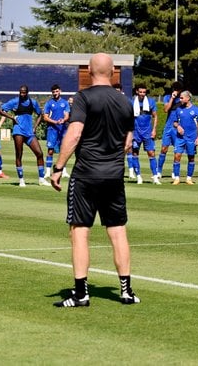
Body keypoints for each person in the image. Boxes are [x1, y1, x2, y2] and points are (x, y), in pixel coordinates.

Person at [49, 52, 140, 307]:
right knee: (118, 231)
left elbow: (75, 133)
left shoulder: (83, 98)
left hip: (86, 174)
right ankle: (126, 291)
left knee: (79, 232)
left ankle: (81, 293)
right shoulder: (125, 102)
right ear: (112, 72)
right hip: (114, 175)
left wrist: (58, 167)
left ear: (89, 71)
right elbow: (128, 142)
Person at [0, 85, 51, 187]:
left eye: (24, 92)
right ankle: (21, 180)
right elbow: (0, 110)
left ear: (27, 92)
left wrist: (35, 127)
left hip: (29, 133)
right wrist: (12, 117)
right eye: (20, 92)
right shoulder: (15, 101)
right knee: (19, 155)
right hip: (18, 132)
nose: (22, 94)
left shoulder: (33, 102)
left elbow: (41, 114)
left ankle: (41, 179)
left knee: (39, 153)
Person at [127, 83, 161, 184]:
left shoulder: (151, 102)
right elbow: (128, 118)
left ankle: (155, 176)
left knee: (151, 153)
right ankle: (138, 177)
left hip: (147, 132)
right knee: (135, 153)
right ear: (137, 91)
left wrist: (154, 130)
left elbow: (155, 116)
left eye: (144, 92)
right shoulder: (131, 102)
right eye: (140, 92)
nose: (142, 94)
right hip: (136, 132)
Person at [171, 91, 198, 185]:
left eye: (181, 98)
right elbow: (174, 122)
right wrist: (178, 126)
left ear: (188, 98)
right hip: (180, 138)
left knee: (191, 157)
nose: (180, 99)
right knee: (177, 156)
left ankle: (188, 178)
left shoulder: (196, 110)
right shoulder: (178, 109)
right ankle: (176, 178)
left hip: (191, 138)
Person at [43, 84, 71, 179]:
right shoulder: (49, 103)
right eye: (54, 92)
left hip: (63, 129)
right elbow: (45, 117)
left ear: (60, 91)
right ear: (52, 93)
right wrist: (54, 121)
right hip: (52, 130)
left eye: (57, 91)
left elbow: (67, 115)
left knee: (63, 151)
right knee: (50, 150)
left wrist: (64, 120)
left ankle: (64, 171)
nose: (55, 93)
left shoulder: (65, 103)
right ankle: (47, 172)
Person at [157, 81, 183, 179]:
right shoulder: (167, 97)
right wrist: (172, 98)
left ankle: (174, 171)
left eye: (177, 90)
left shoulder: (182, 99)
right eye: (174, 89)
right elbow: (165, 110)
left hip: (178, 127)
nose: (175, 91)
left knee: (177, 151)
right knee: (164, 149)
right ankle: (159, 171)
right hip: (168, 127)